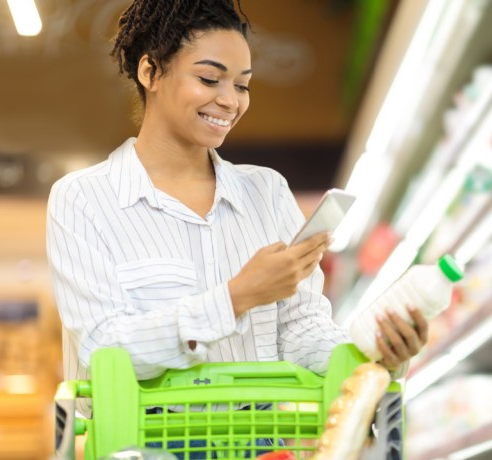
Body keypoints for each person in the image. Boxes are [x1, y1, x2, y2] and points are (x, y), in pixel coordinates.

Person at [46, 0, 428, 410]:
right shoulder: (84, 199)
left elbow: (301, 328)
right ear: (150, 72)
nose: (231, 101)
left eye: (242, 85)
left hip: (259, 433)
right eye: (210, 79)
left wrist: (372, 354)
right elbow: (102, 348)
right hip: (138, 437)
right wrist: (237, 297)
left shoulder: (267, 192)